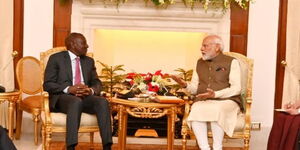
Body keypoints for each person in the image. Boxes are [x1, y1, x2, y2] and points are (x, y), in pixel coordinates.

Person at [43, 32, 112, 150]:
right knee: (75, 101)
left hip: (85, 98)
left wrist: (90, 90)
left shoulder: (89, 61)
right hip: (63, 98)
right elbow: (48, 84)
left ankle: (107, 146)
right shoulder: (56, 59)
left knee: (102, 102)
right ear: (73, 44)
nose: (87, 46)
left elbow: (97, 82)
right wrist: (69, 89)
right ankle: (71, 146)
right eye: (83, 43)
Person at [171, 35, 242, 150]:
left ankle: (217, 147)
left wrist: (215, 94)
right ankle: (205, 148)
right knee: (196, 109)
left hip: (228, 101)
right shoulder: (199, 63)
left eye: (205, 45)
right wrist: (184, 84)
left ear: (217, 47)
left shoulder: (231, 62)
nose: (201, 49)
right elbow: (195, 88)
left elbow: (236, 88)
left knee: (216, 109)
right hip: (204, 100)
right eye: (202, 46)